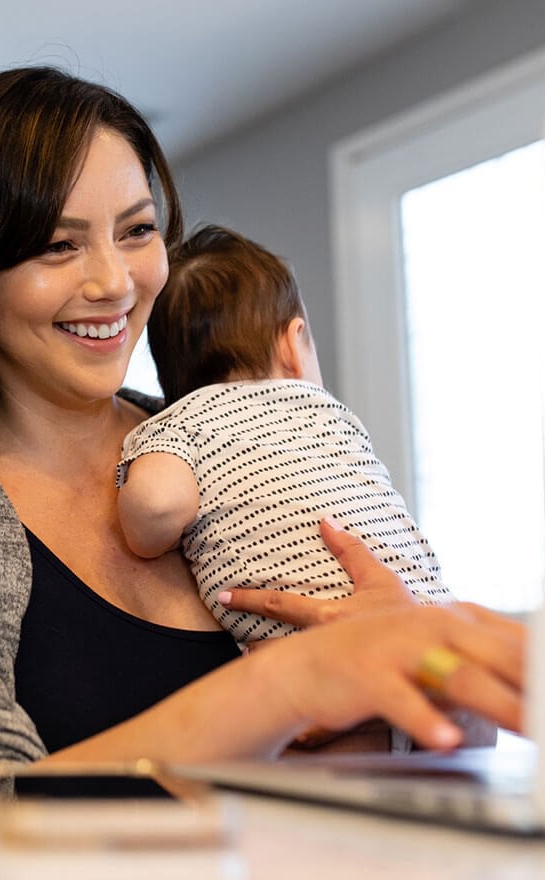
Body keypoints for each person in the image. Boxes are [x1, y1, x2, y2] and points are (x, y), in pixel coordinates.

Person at [0, 66, 524, 782]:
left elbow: (456, 747)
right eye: (58, 245)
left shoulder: (235, 447)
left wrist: (423, 660)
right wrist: (289, 686)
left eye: (137, 230)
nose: (115, 283)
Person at [117, 225, 456, 653]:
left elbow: (156, 504)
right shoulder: (335, 416)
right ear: (293, 346)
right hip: (435, 622)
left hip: (320, 645)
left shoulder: (179, 424)